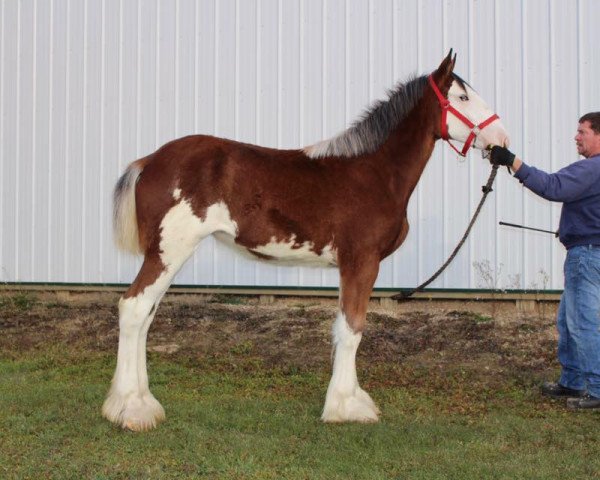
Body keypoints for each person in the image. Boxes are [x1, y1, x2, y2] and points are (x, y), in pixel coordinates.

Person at [490, 112, 600, 410]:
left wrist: (513, 161)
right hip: (589, 252)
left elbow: (553, 187)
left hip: (587, 258)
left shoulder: (592, 168)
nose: (576, 137)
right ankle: (572, 381)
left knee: (583, 324)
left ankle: (597, 389)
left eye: (582, 132)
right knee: (568, 320)